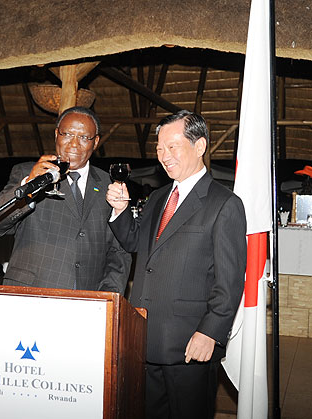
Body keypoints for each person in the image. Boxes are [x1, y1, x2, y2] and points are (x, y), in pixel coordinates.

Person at [106, 110, 247, 419]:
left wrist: (209, 332)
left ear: (200, 146)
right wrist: (119, 211)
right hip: (144, 339)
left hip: (189, 345)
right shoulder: (157, 197)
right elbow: (135, 244)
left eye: (172, 147)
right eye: (159, 148)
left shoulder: (224, 204)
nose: (163, 156)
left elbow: (231, 282)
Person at [0, 106, 131, 294]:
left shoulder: (108, 185)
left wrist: (108, 296)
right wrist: (28, 185)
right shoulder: (28, 173)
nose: (74, 144)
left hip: (88, 302)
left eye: (84, 137)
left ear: (96, 142)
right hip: (31, 296)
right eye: (67, 134)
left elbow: (119, 251)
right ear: (56, 135)